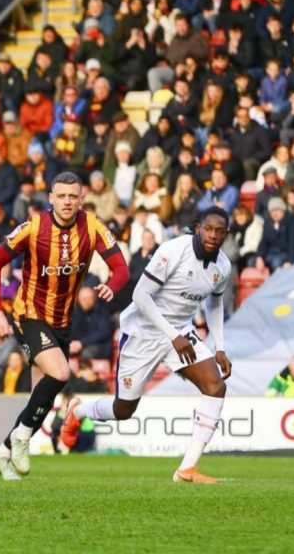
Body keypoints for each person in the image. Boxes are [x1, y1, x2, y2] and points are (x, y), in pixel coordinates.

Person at [61, 207, 234, 484]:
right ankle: (77, 410)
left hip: (179, 331)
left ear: (226, 234)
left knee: (216, 386)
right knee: (124, 411)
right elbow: (140, 295)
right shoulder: (172, 251)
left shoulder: (223, 266)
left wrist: (220, 347)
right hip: (143, 331)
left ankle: (187, 469)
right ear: (197, 227)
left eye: (220, 231)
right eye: (208, 229)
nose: (213, 235)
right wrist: (171, 336)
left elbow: (215, 303)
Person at [0, 172, 129, 481]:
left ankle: (4, 451)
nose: (67, 201)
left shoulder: (93, 227)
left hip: (63, 321)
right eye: (61, 196)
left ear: (81, 198)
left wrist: (113, 287)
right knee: (60, 373)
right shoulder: (33, 228)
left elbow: (121, 269)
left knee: (43, 395)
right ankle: (22, 438)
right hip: (29, 314)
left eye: (72, 196)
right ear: (50, 198)